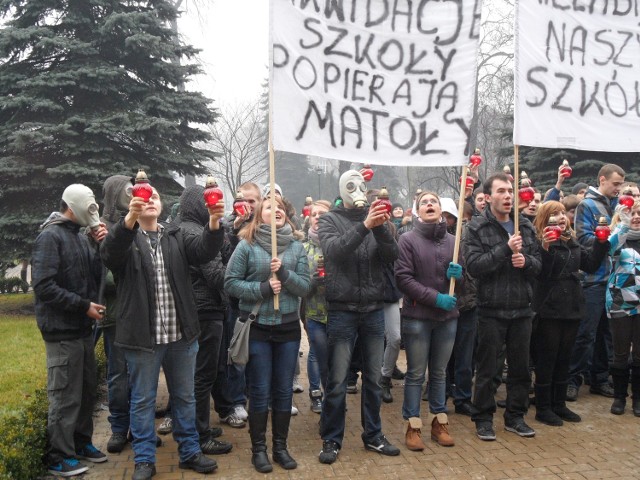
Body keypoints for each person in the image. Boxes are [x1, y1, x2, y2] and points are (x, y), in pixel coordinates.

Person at [101, 185, 224, 480]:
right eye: (145, 198)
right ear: (134, 204)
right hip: (143, 338)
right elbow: (109, 254)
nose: (151, 201)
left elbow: (205, 250)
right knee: (143, 400)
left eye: (155, 197)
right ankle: (145, 459)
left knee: (185, 396)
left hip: (181, 335)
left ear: (161, 205)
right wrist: (129, 218)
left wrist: (214, 222)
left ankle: (190, 451)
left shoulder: (175, 234)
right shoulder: (125, 237)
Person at [317, 170, 400, 464]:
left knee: (374, 379)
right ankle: (331, 438)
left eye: (361, 185)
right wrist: (365, 226)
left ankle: (374, 436)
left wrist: (379, 227)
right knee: (338, 380)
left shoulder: (379, 221)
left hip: (374, 310)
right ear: (342, 189)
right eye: (351, 185)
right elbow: (335, 251)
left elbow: (393, 256)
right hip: (343, 310)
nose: (358, 190)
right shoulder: (329, 219)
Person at [224, 195, 310, 473]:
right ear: (260, 214)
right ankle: (259, 450)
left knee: (284, 390)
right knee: (260, 391)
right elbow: (230, 283)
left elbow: (305, 288)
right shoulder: (246, 246)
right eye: (270, 207)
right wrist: (261, 289)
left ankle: (280, 448)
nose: (277, 211)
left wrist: (284, 274)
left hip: (287, 329)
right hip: (258, 327)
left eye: (281, 208)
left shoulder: (297, 247)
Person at [32, 184, 108, 476]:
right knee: (65, 396)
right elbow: (44, 286)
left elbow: (94, 277)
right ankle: (59, 457)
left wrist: (98, 245)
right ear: (72, 206)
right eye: (88, 207)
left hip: (81, 330)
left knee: (86, 391)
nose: (93, 213)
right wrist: (82, 306)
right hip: (61, 332)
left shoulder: (78, 237)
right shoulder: (50, 237)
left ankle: (80, 442)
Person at [464, 172, 542, 441]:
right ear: (487, 197)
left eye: (510, 191)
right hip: (491, 309)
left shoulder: (526, 226)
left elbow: (538, 264)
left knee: (521, 369)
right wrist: (505, 249)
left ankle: (515, 417)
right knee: (488, 370)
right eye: (501, 191)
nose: (508, 196)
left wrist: (527, 263)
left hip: (522, 308)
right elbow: (473, 266)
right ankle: (483, 418)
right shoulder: (476, 228)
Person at [395, 191, 463, 450]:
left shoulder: (454, 242)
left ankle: (439, 422)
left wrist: (461, 274)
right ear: (417, 211)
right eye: (424, 203)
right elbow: (404, 279)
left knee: (439, 372)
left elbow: (464, 286)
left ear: (441, 209)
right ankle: (412, 426)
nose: (430, 205)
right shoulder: (407, 240)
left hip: (447, 319)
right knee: (415, 373)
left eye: (433, 201)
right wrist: (436, 298)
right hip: (418, 318)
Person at [532, 201, 608, 426]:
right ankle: (543, 407)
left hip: (572, 305)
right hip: (549, 305)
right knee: (548, 358)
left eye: (563, 212)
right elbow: (541, 272)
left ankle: (559, 404)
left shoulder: (571, 241)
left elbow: (591, 264)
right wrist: (546, 246)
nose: (561, 217)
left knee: (565, 357)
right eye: (555, 214)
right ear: (546, 218)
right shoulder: (540, 242)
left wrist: (601, 242)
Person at [176, 185, 233, 455]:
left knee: (198, 375)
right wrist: (236, 273)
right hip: (206, 310)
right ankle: (200, 435)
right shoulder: (194, 232)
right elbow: (217, 276)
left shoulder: (182, 227)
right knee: (203, 376)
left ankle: (199, 428)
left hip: (198, 309)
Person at [567, 164, 625, 402]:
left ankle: (600, 378)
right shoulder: (587, 205)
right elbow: (584, 239)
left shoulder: (617, 206)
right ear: (602, 180)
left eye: (621, 185)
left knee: (606, 334)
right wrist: (612, 232)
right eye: (615, 184)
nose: (618, 189)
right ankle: (571, 380)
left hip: (615, 278)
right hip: (594, 278)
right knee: (586, 334)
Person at [214, 181, 262, 429]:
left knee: (259, 354)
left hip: (261, 299)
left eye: (252, 201)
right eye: (243, 200)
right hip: (235, 302)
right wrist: (234, 230)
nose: (248, 206)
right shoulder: (225, 226)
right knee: (237, 354)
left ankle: (259, 397)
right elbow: (223, 260)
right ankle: (235, 400)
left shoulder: (265, 224)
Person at [606, 202, 640, 416]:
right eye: (633, 213)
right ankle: (619, 397)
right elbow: (609, 248)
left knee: (639, 356)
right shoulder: (619, 237)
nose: (636, 216)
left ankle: (638, 399)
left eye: (639, 213)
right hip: (620, 302)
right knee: (620, 354)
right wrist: (624, 225)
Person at [302, 200, 332, 413]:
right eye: (314, 214)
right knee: (315, 352)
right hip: (313, 311)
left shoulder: (337, 245)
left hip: (338, 312)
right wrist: (312, 282)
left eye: (323, 214)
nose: (318, 217)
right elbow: (298, 283)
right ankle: (316, 394)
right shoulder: (302, 248)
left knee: (334, 356)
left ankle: (332, 396)